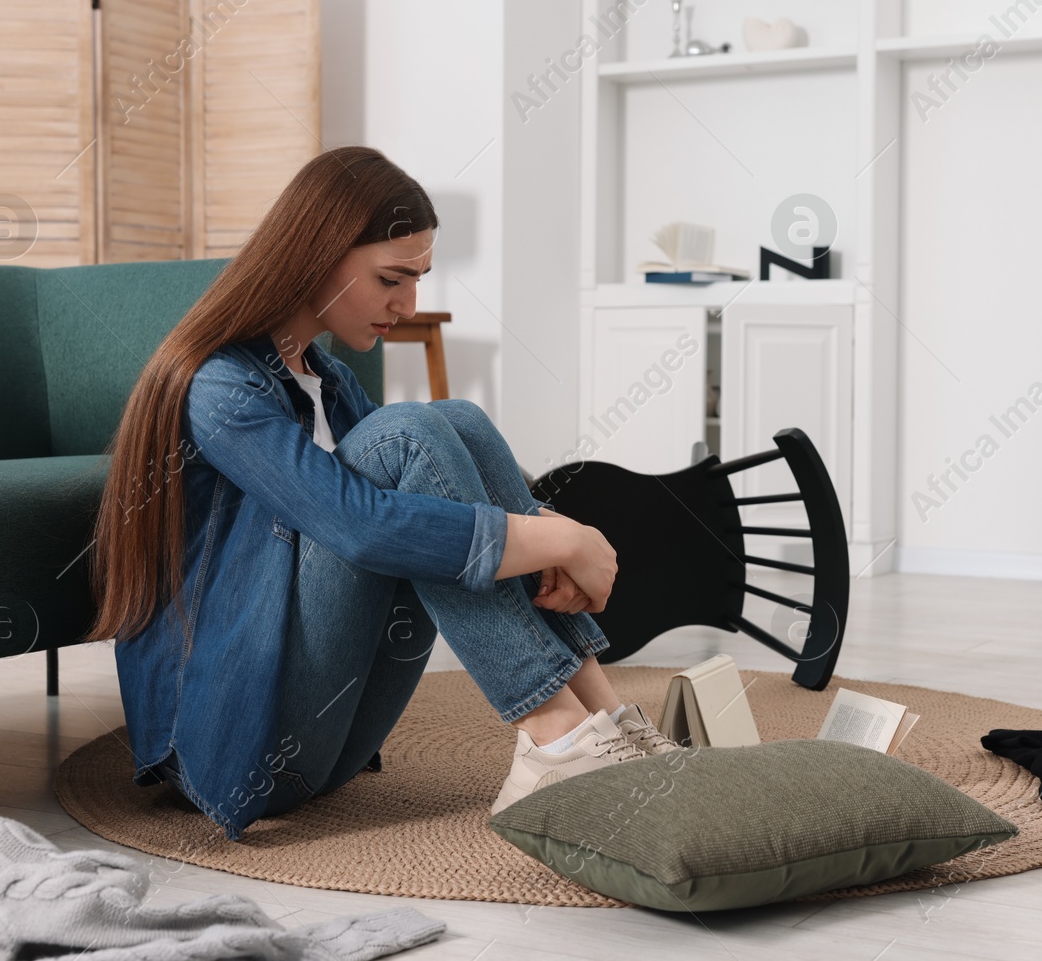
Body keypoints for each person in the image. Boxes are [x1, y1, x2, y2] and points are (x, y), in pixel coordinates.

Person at [83, 146, 680, 842]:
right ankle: (553, 733)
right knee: (409, 436)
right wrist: (566, 538)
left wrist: (551, 528)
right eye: (392, 278)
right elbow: (360, 525)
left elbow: (432, 492)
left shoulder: (328, 381)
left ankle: (603, 724)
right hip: (234, 751)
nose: (409, 304)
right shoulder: (218, 384)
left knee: (455, 422)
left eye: (419, 279)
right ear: (316, 255)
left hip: (332, 743)